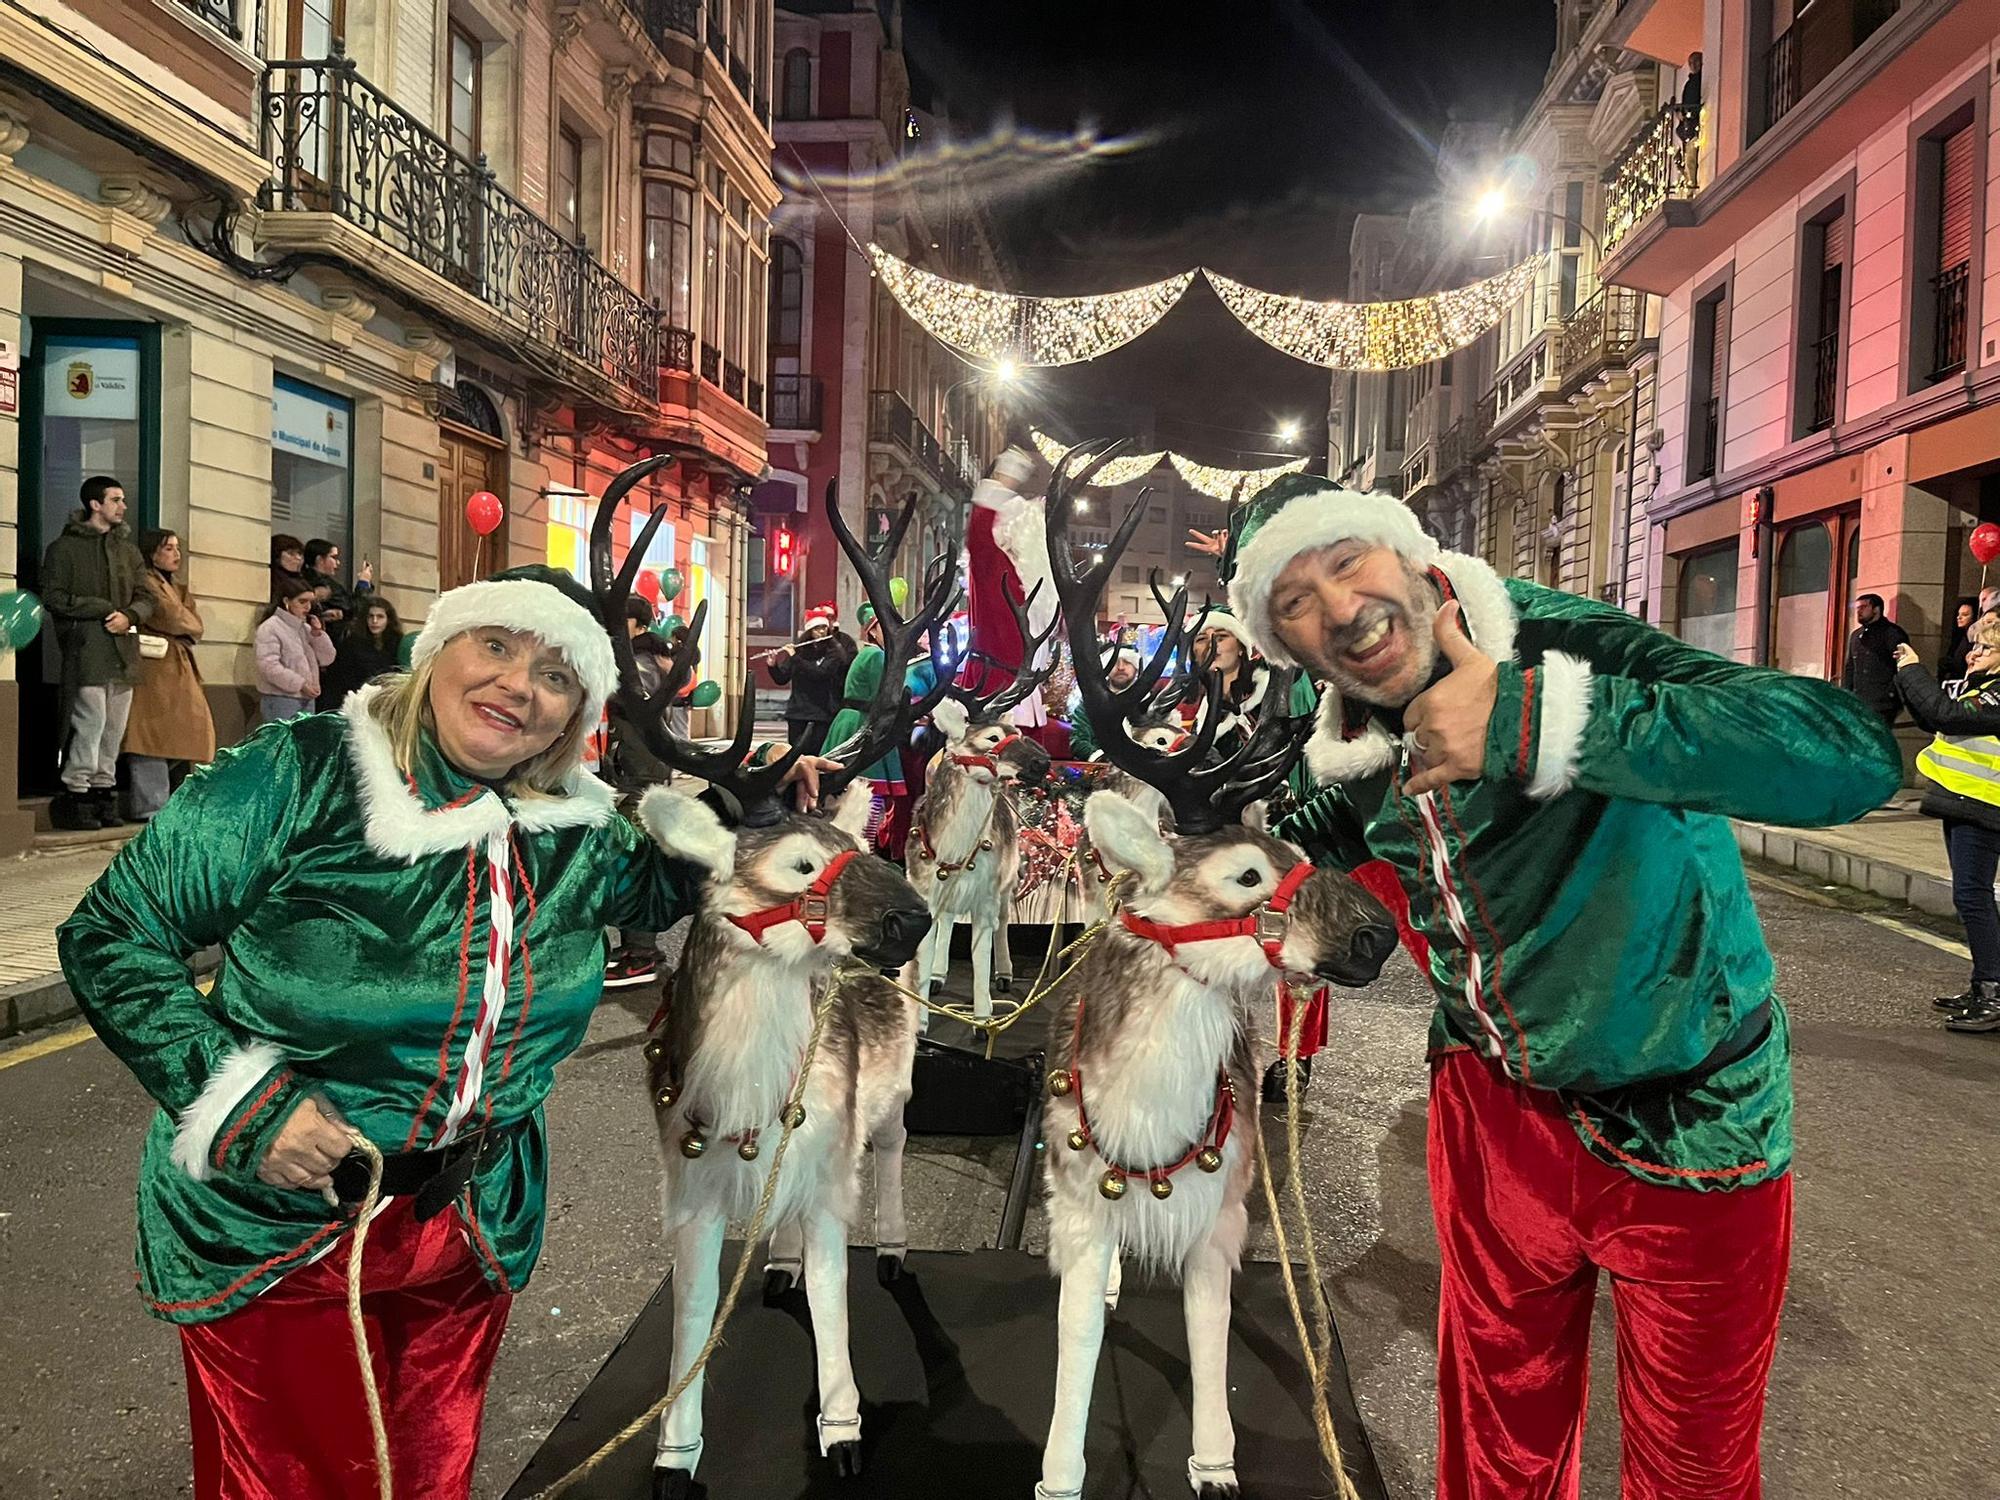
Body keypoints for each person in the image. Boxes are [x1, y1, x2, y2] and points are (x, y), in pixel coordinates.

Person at [57, 561, 834, 1499]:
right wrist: (245, 1104)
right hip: (285, 1223)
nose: (518, 685)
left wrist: (750, 801)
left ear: (577, 711)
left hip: (469, 1222)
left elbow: (670, 881)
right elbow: (114, 935)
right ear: (438, 651)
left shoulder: (571, 825)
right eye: (498, 645)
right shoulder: (300, 773)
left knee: (431, 1477)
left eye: (556, 675)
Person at [1223, 472, 1899, 1498]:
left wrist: (1529, 722)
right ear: (1282, 644)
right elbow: (1318, 849)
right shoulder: (1344, 741)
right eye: (1293, 601)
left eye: (1345, 561)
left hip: (1691, 1124)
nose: (1339, 609)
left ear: (1406, 552)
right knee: (1495, 1448)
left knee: (1693, 1469)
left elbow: (1845, 757)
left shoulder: (1559, 645)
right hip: (1493, 1130)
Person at [1894, 621, 2000, 1034]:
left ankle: (1992, 993)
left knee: (1972, 897)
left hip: (1985, 806)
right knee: (1970, 897)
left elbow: (1944, 713)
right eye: (1975, 647)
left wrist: (1914, 669)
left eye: (1986, 649)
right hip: (1964, 803)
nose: (1973, 654)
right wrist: (1907, 673)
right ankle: (1983, 985)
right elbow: (1930, 714)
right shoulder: (1980, 687)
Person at [42, 475, 154, 831]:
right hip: (87, 649)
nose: (122, 506)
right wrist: (101, 607)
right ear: (95, 504)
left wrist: (130, 616)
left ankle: (104, 793)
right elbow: (54, 597)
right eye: (116, 500)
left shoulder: (128, 550)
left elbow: (146, 596)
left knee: (114, 729)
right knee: (89, 724)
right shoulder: (64, 548)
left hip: (124, 650)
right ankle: (78, 794)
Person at [600, 596, 681, 990]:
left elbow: (635, 701)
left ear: (637, 623)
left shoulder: (643, 664)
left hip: (641, 772)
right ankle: (637, 947)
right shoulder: (648, 659)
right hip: (637, 768)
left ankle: (641, 953)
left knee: (635, 859)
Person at [823, 603, 936, 859]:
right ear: (872, 631)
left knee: (858, 796)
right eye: (885, 627)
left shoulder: (868, 654)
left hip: (856, 720)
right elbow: (886, 696)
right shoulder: (876, 656)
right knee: (868, 797)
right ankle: (863, 855)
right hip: (864, 725)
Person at [122, 528, 216, 821]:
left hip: (177, 666)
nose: (176, 555)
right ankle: (150, 805)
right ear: (152, 552)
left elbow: (195, 623)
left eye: (177, 548)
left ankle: (172, 803)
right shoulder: (146, 581)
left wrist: (187, 622)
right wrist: (186, 622)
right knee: (151, 736)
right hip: (154, 668)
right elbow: (171, 617)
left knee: (186, 734)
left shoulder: (177, 586)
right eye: (168, 549)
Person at [767, 602, 853, 754]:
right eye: (817, 628)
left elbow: (819, 674)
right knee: (796, 757)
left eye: (824, 628)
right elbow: (782, 678)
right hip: (798, 713)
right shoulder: (799, 651)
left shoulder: (834, 653)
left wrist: (795, 658)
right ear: (809, 631)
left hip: (821, 714)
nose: (821, 632)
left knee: (815, 756)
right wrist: (773, 665)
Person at [255, 576, 336, 723]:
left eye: (310, 602)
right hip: (280, 698)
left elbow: (327, 658)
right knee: (283, 742)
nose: (307, 607)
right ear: (286, 601)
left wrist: (318, 634)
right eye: (302, 602)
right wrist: (300, 684)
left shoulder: (305, 628)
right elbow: (268, 666)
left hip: (306, 698)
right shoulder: (270, 627)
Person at [318, 595, 404, 711]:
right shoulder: (352, 643)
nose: (374, 621)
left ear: (388, 620)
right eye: (370, 616)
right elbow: (342, 675)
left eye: (380, 617)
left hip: (384, 701)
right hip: (355, 699)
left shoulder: (397, 643)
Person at [1842, 593, 1909, 729]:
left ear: (1876, 609)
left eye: (1863, 607)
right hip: (1858, 700)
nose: (1859, 611)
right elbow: (1850, 668)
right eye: (1857, 608)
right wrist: (1846, 694)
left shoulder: (1893, 633)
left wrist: (1892, 694)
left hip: (1883, 703)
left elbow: (1903, 666)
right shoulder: (1856, 635)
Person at [1939, 597, 1977, 680]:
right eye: (1958, 614)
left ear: (1974, 617)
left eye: (1965, 615)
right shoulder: (1959, 637)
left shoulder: (1976, 640)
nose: (1959, 617)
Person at [269, 533, 305, 604]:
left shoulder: (302, 579)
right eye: (291, 553)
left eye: (299, 554)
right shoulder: (272, 579)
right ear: (276, 556)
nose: (298, 558)